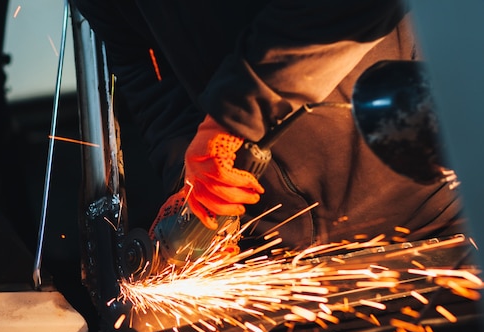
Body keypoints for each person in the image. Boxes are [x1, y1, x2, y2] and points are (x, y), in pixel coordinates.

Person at [72, 0, 463, 253]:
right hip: (280, 256)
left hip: (435, 219)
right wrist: (194, 191)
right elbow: (154, 85)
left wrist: (232, 116)